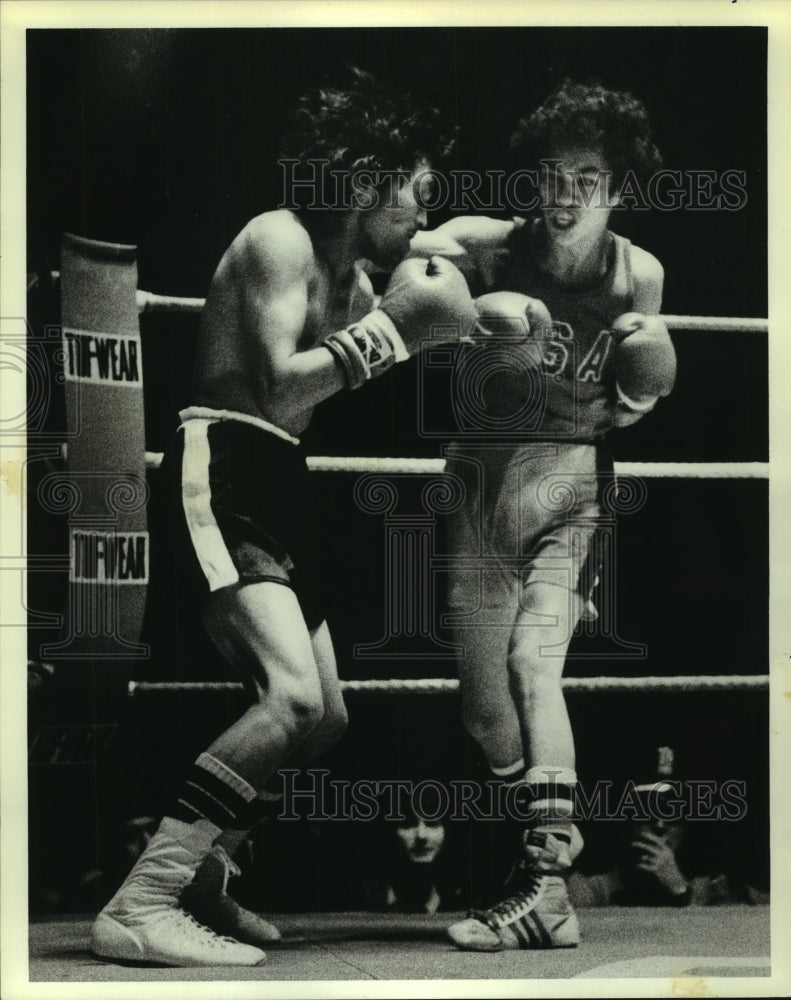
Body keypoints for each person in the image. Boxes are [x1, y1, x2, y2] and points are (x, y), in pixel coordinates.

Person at [90, 67, 478, 967]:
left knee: (327, 715)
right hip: (220, 462)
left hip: (279, 480)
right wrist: (398, 331)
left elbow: (414, 309)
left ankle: (205, 873)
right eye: (417, 190)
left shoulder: (353, 278)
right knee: (290, 695)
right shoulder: (277, 238)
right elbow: (276, 382)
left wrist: (472, 316)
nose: (424, 213)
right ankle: (140, 899)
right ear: (369, 176)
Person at [411, 80, 677, 951]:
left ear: (620, 187)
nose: (565, 197)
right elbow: (418, 247)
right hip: (480, 494)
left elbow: (638, 400)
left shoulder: (639, 272)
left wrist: (649, 371)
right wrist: (455, 296)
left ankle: (545, 882)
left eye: (587, 178)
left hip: (570, 492)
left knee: (535, 661)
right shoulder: (495, 248)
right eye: (552, 176)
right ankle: (533, 850)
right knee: (486, 715)